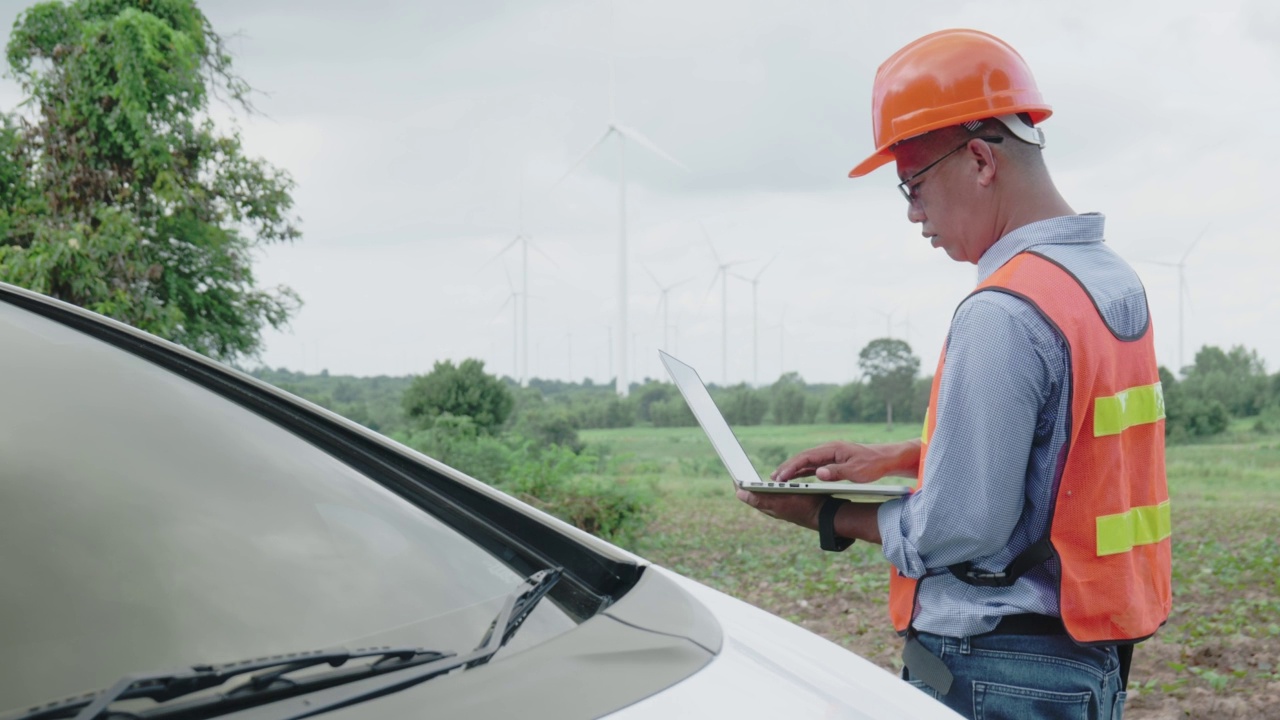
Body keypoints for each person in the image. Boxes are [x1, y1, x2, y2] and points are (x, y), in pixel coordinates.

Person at [736, 28, 1170, 720]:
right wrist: (903, 457)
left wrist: (826, 514)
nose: (913, 213)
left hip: (1001, 669)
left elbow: (958, 528)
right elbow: (1068, 446)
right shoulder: (1108, 280)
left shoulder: (1004, 311)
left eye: (912, 183)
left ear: (978, 160)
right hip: (1081, 660)